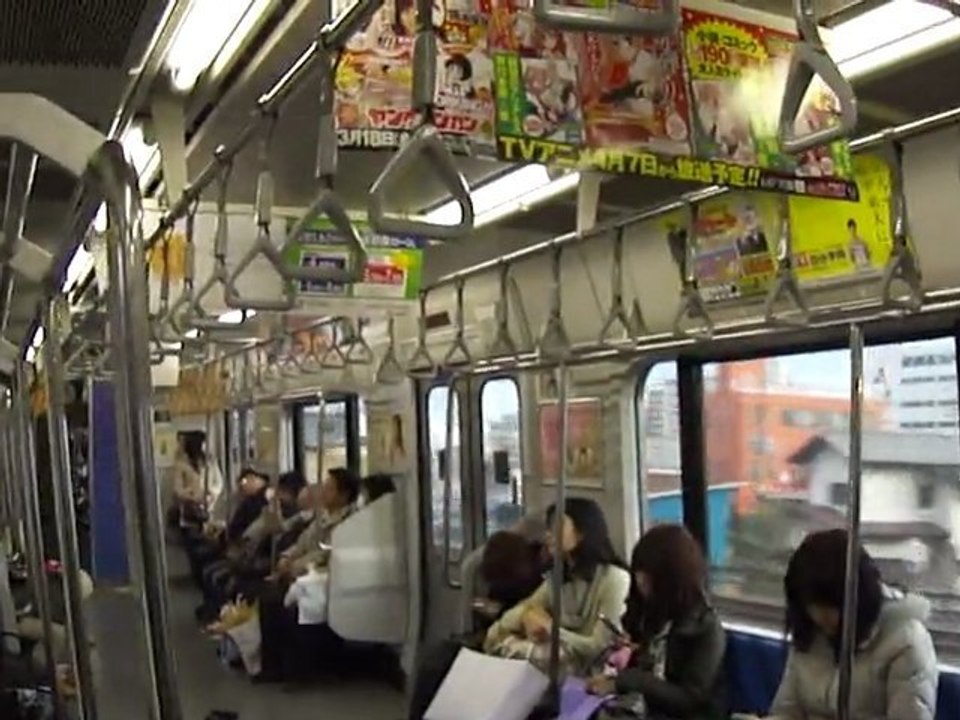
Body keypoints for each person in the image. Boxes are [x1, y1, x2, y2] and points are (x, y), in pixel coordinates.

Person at [760, 529, 938, 720]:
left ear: (858, 598)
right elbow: (787, 710)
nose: (821, 616)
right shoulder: (811, 635)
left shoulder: (905, 643)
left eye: (831, 604)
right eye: (812, 604)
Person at [586, 524, 727, 720]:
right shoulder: (655, 616)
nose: (641, 584)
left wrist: (629, 681)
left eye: (649, 579)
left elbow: (690, 699)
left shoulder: (706, 630)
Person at [406, 529, 548, 720]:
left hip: (519, 643)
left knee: (439, 663)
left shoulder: (543, 582)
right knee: (439, 660)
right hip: (500, 636)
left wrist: (500, 614)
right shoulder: (514, 576)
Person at [483, 497, 630, 677]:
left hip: (591, 670)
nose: (548, 535)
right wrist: (525, 616)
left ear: (582, 533)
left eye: (557, 527)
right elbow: (516, 615)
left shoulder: (615, 579)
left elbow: (596, 646)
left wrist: (551, 629)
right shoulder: (558, 577)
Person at [255, 468, 361, 683]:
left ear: (344, 495)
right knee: (267, 598)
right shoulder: (323, 516)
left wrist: (294, 565)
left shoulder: (349, 523)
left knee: (277, 601)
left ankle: (290, 669)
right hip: (303, 572)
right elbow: (303, 542)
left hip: (326, 578)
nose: (323, 492)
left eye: (329, 488)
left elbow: (325, 552)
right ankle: (272, 666)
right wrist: (286, 557)